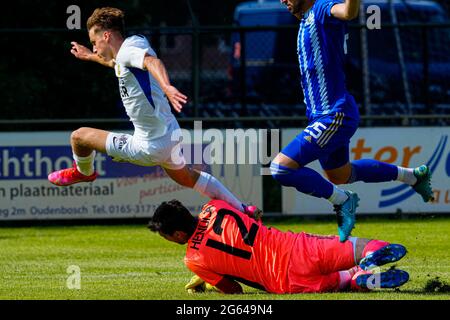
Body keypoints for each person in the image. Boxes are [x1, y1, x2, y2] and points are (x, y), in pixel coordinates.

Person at [47, 7, 260, 218]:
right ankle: (244, 209)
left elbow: (152, 62)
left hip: (148, 146)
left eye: (94, 42)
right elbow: (116, 63)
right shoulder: (129, 49)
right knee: (188, 178)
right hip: (170, 136)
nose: (94, 48)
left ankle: (84, 172)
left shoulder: (129, 52)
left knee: (79, 137)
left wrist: (167, 87)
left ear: (106, 35)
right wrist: (89, 57)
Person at [270, 0, 433, 241]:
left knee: (280, 168)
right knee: (340, 175)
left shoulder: (322, 9)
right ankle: (412, 176)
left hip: (335, 114)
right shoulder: (307, 20)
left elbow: (348, 11)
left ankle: (343, 200)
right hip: (323, 115)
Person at [148, 198, 410, 294]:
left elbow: (233, 289)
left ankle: (361, 280)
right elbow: (249, 212)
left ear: (179, 234)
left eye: (166, 236)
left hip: (284, 283)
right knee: (363, 246)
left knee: (340, 281)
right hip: (295, 248)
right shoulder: (215, 206)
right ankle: (371, 258)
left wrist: (212, 282)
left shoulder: (193, 259)